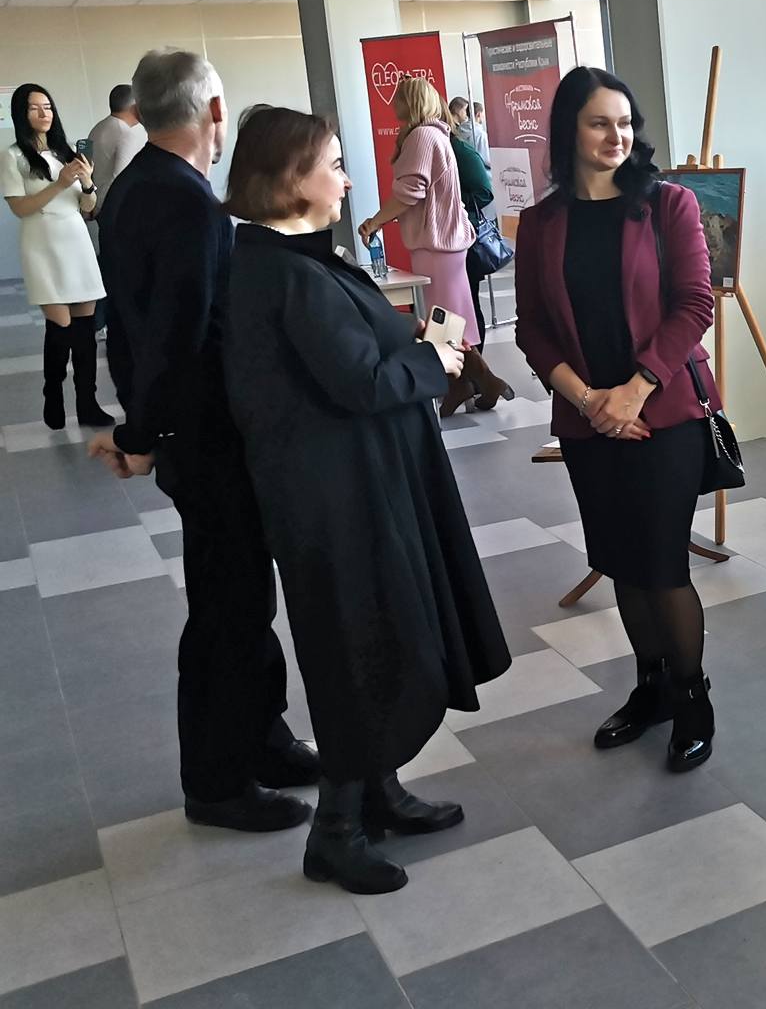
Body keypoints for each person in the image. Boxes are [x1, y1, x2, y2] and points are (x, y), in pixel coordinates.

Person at [223, 104, 511, 895]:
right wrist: (434, 360)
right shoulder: (285, 272)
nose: (348, 180)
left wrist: (413, 344)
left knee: (380, 636)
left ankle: (378, 793)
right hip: (334, 502)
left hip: (352, 484)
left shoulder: (290, 259)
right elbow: (362, 382)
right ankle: (336, 831)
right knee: (359, 650)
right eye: (336, 165)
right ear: (291, 178)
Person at [87, 49, 318, 833]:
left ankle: (265, 740)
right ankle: (219, 782)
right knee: (227, 608)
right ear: (215, 111)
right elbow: (177, 334)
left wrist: (144, 422)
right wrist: (142, 432)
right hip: (209, 438)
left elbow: (137, 329)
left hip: (195, 433)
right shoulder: (184, 200)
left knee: (244, 596)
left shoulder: (136, 186)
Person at [516, 66, 716, 772]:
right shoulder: (541, 223)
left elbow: (695, 304)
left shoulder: (669, 205)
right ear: (569, 129)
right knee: (619, 560)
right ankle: (651, 689)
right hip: (587, 421)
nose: (616, 136)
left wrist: (633, 392)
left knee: (661, 564)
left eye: (625, 123)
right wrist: (587, 401)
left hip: (663, 415)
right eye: (600, 123)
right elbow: (532, 329)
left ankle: (693, 699)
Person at [355, 77, 513, 415]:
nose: (392, 104)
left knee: (444, 321)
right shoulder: (436, 135)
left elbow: (410, 192)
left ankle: (482, 382)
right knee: (448, 319)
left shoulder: (422, 137)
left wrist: (375, 221)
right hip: (446, 243)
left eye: (398, 98)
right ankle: (465, 384)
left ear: (409, 102)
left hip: (437, 243)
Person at [3, 84, 109, 429]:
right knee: (60, 328)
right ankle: (53, 394)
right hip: (42, 246)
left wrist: (88, 183)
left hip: (76, 242)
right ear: (21, 113)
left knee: (85, 331)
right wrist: (61, 184)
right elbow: (21, 208)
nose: (43, 113)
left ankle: (88, 402)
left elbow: (88, 208)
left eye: (47, 106)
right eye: (34, 107)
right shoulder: (13, 156)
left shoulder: (67, 152)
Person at [86, 83, 144, 353]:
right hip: (116, 211)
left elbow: (88, 170)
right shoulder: (127, 133)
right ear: (134, 105)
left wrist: (92, 205)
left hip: (98, 207)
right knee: (118, 270)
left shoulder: (96, 129)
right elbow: (123, 178)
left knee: (106, 265)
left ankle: (97, 322)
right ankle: (105, 323)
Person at [450, 126, 495, 347]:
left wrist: (451, 200)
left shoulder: (462, 152)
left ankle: (477, 358)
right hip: (448, 238)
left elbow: (484, 193)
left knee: (470, 302)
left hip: (466, 237)